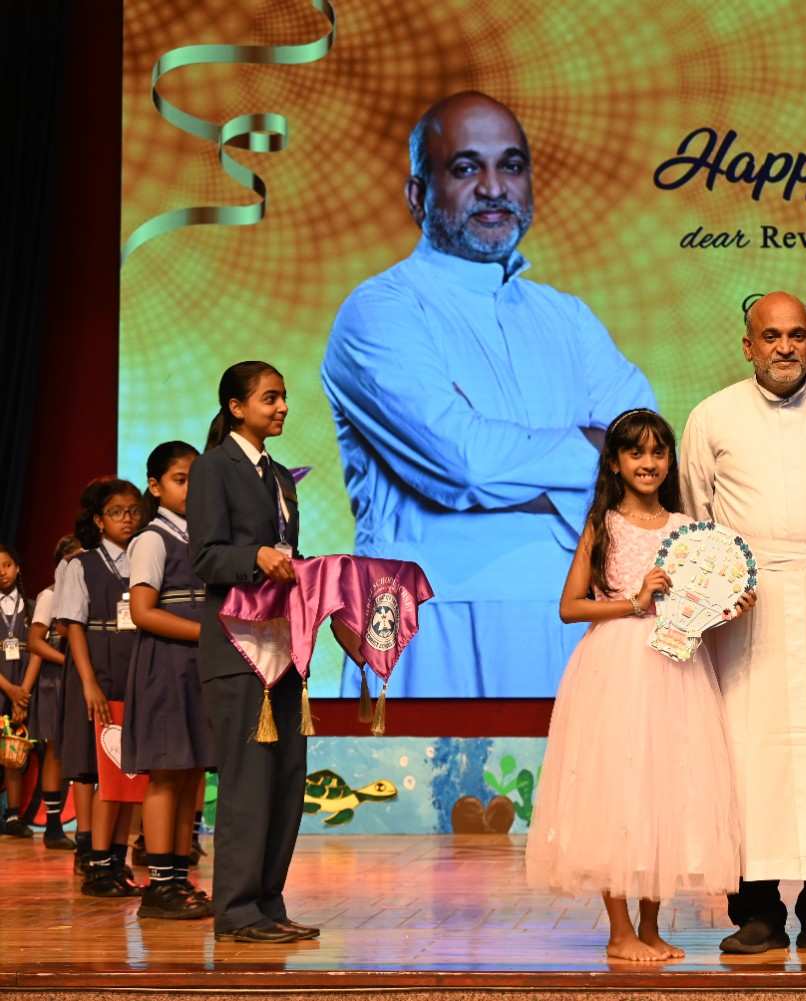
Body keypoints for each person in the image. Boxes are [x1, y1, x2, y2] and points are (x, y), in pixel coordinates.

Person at [322, 90, 654, 699]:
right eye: (466, 168)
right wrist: (590, 449)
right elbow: (465, 462)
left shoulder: (567, 318)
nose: (494, 187)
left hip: (571, 617)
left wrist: (517, 465)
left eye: (512, 165)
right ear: (418, 195)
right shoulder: (380, 311)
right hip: (429, 621)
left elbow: (644, 456)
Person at [681, 291, 806, 956]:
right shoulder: (712, 417)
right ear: (748, 345)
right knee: (746, 760)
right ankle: (756, 913)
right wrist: (723, 592)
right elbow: (697, 515)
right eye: (771, 336)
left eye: (797, 334)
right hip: (746, 616)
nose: (785, 346)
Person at [525, 409, 745, 962]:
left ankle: (650, 928)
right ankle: (619, 932)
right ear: (615, 464)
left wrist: (727, 604)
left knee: (662, 790)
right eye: (636, 452)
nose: (649, 462)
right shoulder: (603, 525)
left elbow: (695, 605)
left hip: (675, 668)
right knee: (618, 791)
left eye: (658, 452)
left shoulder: (686, 529)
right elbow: (570, 606)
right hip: (616, 667)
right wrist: (634, 601)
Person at [188, 361, 314, 944]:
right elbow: (206, 557)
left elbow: (289, 554)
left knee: (286, 778)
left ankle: (268, 902)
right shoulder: (213, 468)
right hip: (237, 650)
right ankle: (237, 911)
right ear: (236, 408)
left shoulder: (281, 476)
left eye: (283, 396)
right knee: (247, 783)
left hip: (282, 645)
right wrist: (254, 557)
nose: (282, 406)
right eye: (270, 397)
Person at [122, 441, 214, 920]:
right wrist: (205, 633)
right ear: (155, 487)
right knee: (165, 773)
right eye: (181, 480)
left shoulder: (202, 537)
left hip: (197, 667)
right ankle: (159, 885)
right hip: (165, 665)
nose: (191, 489)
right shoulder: (152, 539)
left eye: (197, 480)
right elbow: (142, 612)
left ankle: (179, 878)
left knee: (190, 771)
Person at [56, 478, 145, 895]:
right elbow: (73, 626)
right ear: (98, 519)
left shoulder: (147, 559)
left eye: (133, 511)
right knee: (99, 773)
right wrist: (89, 683)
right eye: (116, 512)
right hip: (96, 675)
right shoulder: (81, 565)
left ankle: (117, 861)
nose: (127, 519)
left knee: (129, 772)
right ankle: (96, 865)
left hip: (135, 674)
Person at [23, 535, 83, 850]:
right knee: (55, 751)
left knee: (74, 751)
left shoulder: (87, 593)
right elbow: (34, 643)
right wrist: (68, 661)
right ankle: (54, 826)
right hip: (54, 681)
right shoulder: (49, 596)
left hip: (78, 678)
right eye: (72, 559)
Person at [0, 545, 34, 837]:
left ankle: (13, 816)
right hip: (3, 687)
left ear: (18, 567)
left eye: (7, 565)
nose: (2, 572)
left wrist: (21, 694)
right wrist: (9, 690)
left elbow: (36, 653)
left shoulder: (32, 608)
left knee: (14, 750)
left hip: (24, 691)